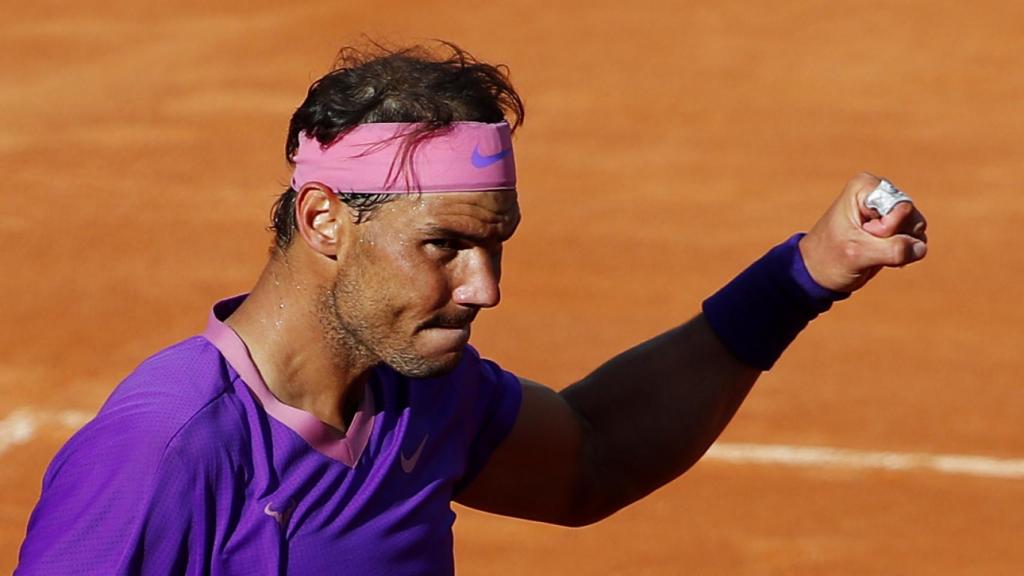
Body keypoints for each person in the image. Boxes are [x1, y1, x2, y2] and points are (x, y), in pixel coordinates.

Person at [16, 42, 928, 575]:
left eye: (495, 244)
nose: (484, 287)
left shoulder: (416, 393)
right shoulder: (169, 449)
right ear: (324, 217)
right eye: (443, 245)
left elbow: (592, 457)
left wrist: (802, 276)